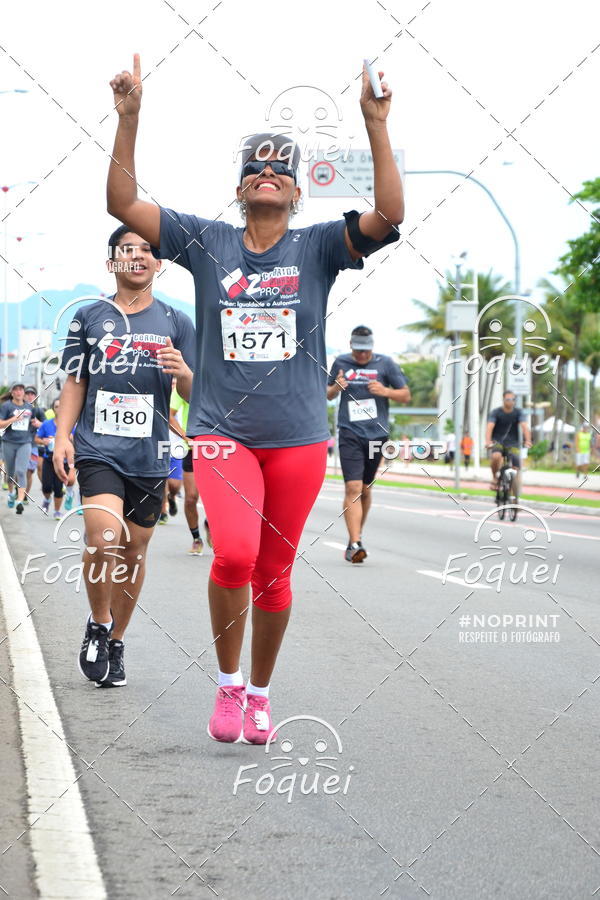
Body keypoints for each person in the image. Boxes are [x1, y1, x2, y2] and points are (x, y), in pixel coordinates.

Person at [106, 54, 404, 742]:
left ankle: (262, 693)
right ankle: (228, 683)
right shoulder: (204, 242)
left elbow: (388, 214)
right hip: (220, 432)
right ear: (239, 188)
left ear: (296, 191)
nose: (266, 172)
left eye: (280, 167)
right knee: (234, 556)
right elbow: (123, 206)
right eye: (254, 166)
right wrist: (129, 118)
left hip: (298, 437)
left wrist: (374, 123)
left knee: (274, 574)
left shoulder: (321, 246)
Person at [53, 225, 195, 688]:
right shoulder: (89, 318)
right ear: (112, 261)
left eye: (146, 250)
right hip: (98, 450)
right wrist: (62, 436)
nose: (137, 256)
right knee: (103, 532)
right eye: (125, 249)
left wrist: (184, 371)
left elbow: (197, 391)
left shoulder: (177, 322)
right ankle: (97, 622)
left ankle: (116, 640)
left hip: (150, 455)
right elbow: (75, 382)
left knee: (134, 550)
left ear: (159, 263)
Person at [327, 326, 409, 562]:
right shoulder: (341, 362)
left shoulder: (386, 364)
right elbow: (328, 393)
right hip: (350, 431)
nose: (362, 355)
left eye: (366, 351)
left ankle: (356, 534)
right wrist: (336, 387)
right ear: (351, 345)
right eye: (358, 350)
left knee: (365, 489)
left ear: (372, 347)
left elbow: (405, 395)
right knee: (352, 487)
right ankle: (355, 544)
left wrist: (385, 391)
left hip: (377, 434)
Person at [170, 385, 206, 555]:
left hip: (219, 448)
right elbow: (169, 415)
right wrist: (186, 436)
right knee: (191, 498)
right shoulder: (184, 385)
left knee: (217, 497)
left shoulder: (218, 381)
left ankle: (210, 525)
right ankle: (196, 538)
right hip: (192, 450)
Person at [0, 382, 42, 514]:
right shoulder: (6, 406)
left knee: (21, 471)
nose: (19, 392)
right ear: (12, 392)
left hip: (25, 443)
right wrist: (13, 419)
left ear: (23, 393)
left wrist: (37, 424)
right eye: (16, 390)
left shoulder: (30, 407)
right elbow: (1, 424)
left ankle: (19, 501)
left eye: (21, 390)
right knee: (10, 472)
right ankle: (11, 494)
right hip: (9, 442)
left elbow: (36, 422)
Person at [485, 390, 532, 493]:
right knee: (496, 457)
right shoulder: (496, 412)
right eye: (508, 399)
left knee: (516, 462)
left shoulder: (518, 412)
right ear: (503, 400)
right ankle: (494, 478)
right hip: (498, 442)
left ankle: (515, 494)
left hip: (513, 444)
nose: (511, 401)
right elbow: (490, 426)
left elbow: (524, 426)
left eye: (513, 399)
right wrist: (488, 441)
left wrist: (528, 440)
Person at [36, 399, 71, 518]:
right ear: (53, 409)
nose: (59, 409)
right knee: (46, 486)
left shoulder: (70, 424)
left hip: (63, 460)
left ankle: (57, 511)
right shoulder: (46, 424)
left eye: (61, 406)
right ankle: (47, 500)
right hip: (49, 459)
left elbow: (76, 441)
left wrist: (70, 438)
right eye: (56, 406)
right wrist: (44, 441)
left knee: (58, 487)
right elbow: (36, 439)